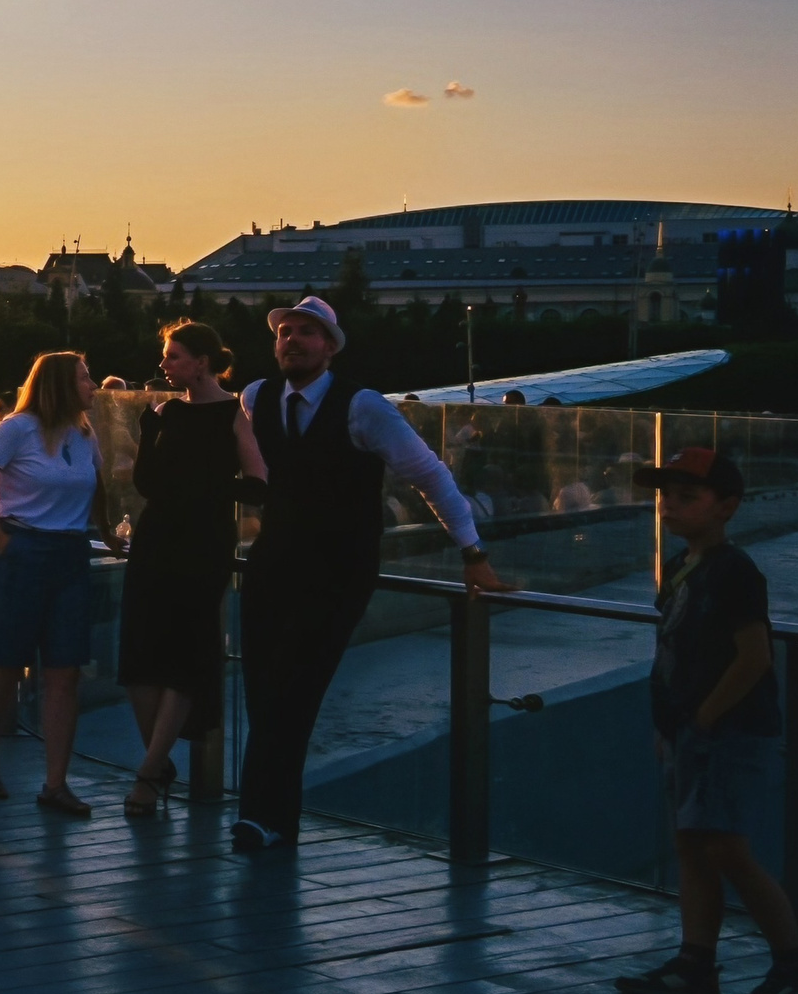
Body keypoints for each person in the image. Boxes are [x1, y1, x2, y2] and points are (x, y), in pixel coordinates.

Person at [234, 296, 510, 852]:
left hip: (337, 568)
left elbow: (430, 476)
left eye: (306, 332)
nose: (292, 340)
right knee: (262, 689)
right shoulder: (256, 396)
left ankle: (262, 816)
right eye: (285, 332)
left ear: (330, 347)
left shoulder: (363, 407)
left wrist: (472, 551)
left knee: (294, 687)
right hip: (273, 562)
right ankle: (271, 818)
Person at [615, 450, 798, 994]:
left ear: (727, 507)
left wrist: (705, 718)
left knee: (724, 847)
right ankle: (696, 963)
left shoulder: (734, 570)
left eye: (688, 497)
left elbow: (754, 655)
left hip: (726, 732)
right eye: (666, 496)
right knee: (694, 844)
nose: (670, 506)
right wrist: (672, 725)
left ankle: (796, 969)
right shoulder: (684, 565)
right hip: (692, 730)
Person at [0, 351, 124, 812]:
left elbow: (96, 485)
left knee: (64, 672)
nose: (93, 386)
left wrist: (107, 531)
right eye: (85, 378)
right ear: (59, 385)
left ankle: (56, 782)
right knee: (7, 664)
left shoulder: (83, 433)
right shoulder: (17, 428)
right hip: (23, 550)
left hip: (69, 553)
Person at [119, 322, 266, 817]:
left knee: (182, 654)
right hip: (157, 538)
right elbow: (145, 484)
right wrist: (149, 431)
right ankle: (156, 764)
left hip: (203, 544)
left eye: (173, 356)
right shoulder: (165, 412)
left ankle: (149, 771)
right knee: (139, 654)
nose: (164, 365)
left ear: (201, 362)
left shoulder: (236, 413)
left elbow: (259, 481)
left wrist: (206, 489)